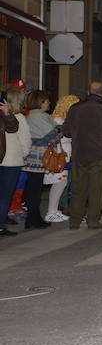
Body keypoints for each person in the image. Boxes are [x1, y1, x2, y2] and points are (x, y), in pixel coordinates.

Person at [62, 82, 102, 229]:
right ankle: (93, 220)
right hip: (100, 155)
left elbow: (66, 131)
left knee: (78, 188)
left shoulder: (75, 108)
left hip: (79, 153)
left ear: (88, 92)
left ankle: (75, 221)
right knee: (96, 189)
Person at [22, 90, 57, 229]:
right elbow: (52, 136)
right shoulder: (40, 117)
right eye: (47, 100)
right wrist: (58, 132)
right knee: (35, 189)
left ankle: (33, 218)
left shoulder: (33, 116)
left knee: (33, 188)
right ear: (40, 102)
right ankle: (33, 219)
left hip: (32, 155)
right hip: (37, 156)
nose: (49, 103)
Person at [44, 95, 79, 223]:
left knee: (61, 182)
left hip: (64, 153)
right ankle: (51, 211)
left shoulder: (62, 120)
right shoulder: (58, 120)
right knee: (59, 182)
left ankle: (54, 210)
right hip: (59, 154)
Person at [0, 87, 26, 237]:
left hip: (7, 160)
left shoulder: (9, 115)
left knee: (4, 195)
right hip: (9, 161)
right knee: (4, 196)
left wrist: (6, 113)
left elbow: (12, 127)